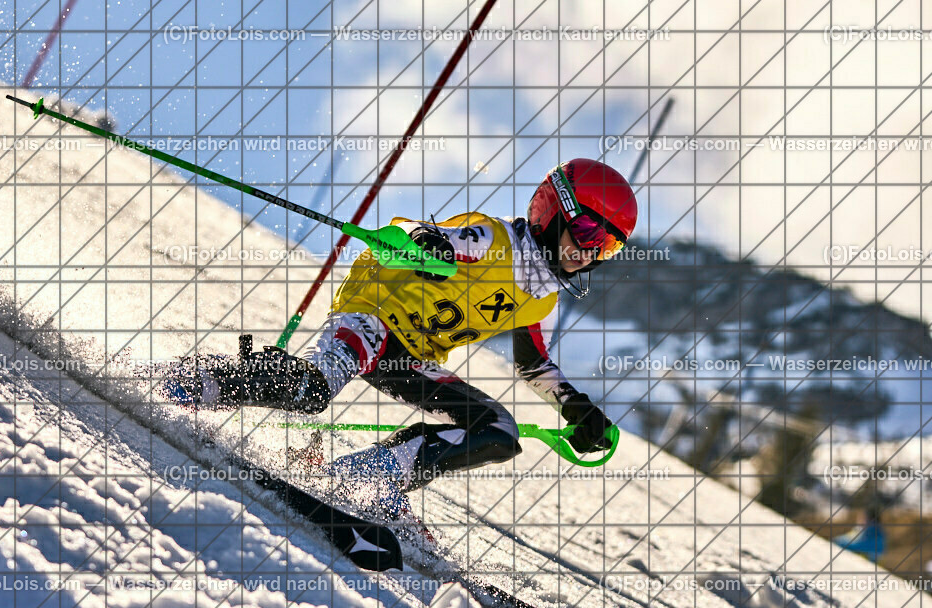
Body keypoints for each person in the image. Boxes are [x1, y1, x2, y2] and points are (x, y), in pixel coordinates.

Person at [165, 158, 637, 509]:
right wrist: (424, 242)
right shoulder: (492, 240)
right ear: (553, 209)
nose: (590, 251)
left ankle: (363, 479)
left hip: (410, 357)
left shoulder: (543, 298)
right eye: (588, 231)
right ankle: (195, 382)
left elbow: (533, 362)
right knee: (311, 390)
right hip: (371, 320)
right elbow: (412, 229)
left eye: (608, 245)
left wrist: (577, 407)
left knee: (498, 432)